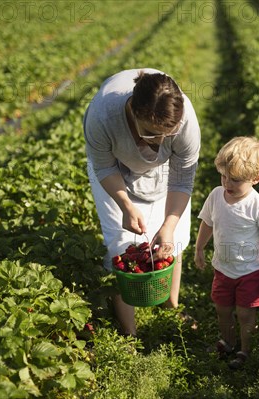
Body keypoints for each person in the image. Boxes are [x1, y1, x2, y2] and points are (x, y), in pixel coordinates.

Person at [83, 68, 200, 336]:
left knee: (175, 237)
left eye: (167, 135)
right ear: (134, 113)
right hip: (114, 168)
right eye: (151, 133)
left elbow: (181, 182)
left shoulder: (185, 123)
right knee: (121, 243)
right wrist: (125, 204)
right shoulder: (102, 116)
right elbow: (103, 168)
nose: (160, 142)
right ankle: (130, 333)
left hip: (163, 169)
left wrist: (168, 226)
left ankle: (171, 306)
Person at [194, 136, 259, 369]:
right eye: (224, 176)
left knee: (245, 314)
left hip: (250, 271)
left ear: (256, 179)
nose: (227, 183)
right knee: (222, 309)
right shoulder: (215, 196)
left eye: (235, 180)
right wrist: (199, 247)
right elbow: (208, 223)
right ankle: (227, 341)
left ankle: (244, 350)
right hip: (223, 268)